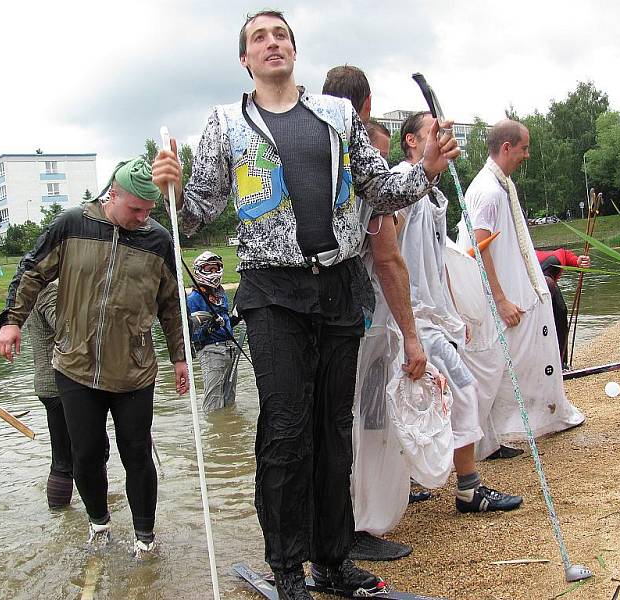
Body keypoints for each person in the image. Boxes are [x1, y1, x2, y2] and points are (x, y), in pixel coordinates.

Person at [152, 11, 460, 599]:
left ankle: (332, 559)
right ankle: (287, 569)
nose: (272, 44)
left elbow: (379, 191)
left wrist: (426, 170)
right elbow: (191, 219)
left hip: (339, 288)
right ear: (245, 59)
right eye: (259, 38)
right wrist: (170, 185)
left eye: (281, 35)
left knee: (332, 429)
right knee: (286, 431)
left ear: (295, 50)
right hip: (272, 294)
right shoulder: (224, 125)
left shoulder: (338, 115)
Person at [0, 158, 188, 556]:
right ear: (111, 195)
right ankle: (99, 525)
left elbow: (172, 305)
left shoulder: (157, 240)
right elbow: (32, 270)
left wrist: (180, 358)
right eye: (136, 209)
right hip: (76, 365)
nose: (143, 218)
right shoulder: (71, 225)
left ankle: (145, 539)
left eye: (149, 210)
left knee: (136, 454)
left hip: (134, 369)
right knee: (85, 454)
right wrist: (11, 321)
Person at [323, 65, 429, 560]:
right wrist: (412, 335)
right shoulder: (361, 164)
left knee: (327, 423)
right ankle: (357, 523)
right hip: (366, 324)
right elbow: (387, 259)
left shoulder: (308, 152)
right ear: (364, 105)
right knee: (365, 423)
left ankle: (326, 524)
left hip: (317, 316)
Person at [393, 111, 522, 510]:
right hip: (411, 313)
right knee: (462, 390)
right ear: (412, 142)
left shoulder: (434, 192)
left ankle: (416, 483)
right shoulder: (400, 181)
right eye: (434, 130)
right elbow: (389, 246)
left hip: (434, 314)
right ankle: (466, 487)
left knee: (427, 396)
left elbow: (440, 257)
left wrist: (454, 313)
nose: (444, 134)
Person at [456, 120, 586, 454]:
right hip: (493, 300)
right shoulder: (487, 191)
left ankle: (530, 420)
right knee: (491, 369)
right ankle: (487, 442)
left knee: (509, 364)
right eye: (525, 148)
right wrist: (499, 298)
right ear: (506, 148)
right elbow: (478, 247)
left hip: (513, 294)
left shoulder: (502, 187)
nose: (527, 155)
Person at [26, 279, 110, 509]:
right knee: (75, 455)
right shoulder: (48, 290)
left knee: (87, 451)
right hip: (61, 383)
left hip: (60, 382)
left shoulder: (41, 289)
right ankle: (86, 510)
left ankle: (87, 509)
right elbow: (66, 328)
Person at [187, 251, 241, 412]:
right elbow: (192, 334)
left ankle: (228, 430)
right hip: (211, 351)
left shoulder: (221, 294)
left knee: (229, 397)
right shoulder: (193, 299)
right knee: (213, 399)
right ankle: (214, 429)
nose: (213, 273)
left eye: (215, 269)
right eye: (208, 270)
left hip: (230, 349)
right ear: (199, 271)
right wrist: (211, 327)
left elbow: (226, 326)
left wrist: (235, 318)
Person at [534, 248, 591, 366]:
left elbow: (565, 254)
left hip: (547, 279)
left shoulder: (558, 259)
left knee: (560, 311)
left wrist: (578, 262)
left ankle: (561, 363)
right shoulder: (526, 264)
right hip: (533, 280)